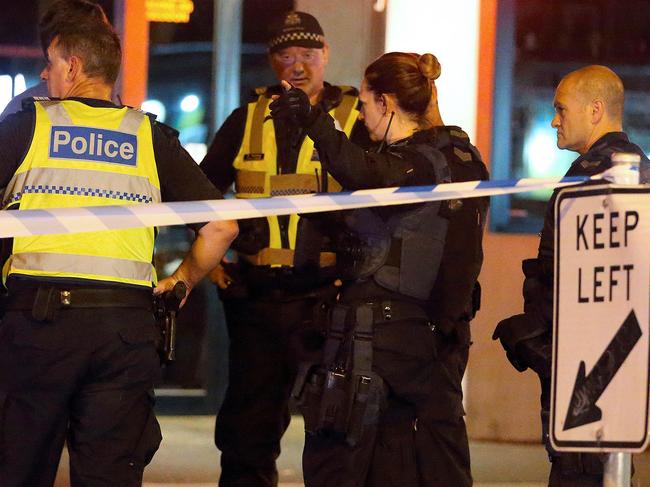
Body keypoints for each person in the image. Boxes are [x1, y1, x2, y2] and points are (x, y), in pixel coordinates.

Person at [0, 2, 238, 485]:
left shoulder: (29, 126)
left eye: (50, 63)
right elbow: (222, 227)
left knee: (19, 469)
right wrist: (183, 280)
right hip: (125, 329)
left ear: (73, 66)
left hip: (40, 328)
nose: (44, 76)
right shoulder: (149, 137)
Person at [270, 51, 477, 486]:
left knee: (343, 464)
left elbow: (364, 171)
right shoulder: (460, 156)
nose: (361, 117)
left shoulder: (421, 162)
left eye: (364, 105)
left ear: (386, 102)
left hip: (383, 341)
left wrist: (314, 121)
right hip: (434, 343)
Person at [200, 11, 369, 487]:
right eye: (286, 55)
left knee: (337, 427)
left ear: (326, 56)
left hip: (328, 298)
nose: (297, 66)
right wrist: (211, 261)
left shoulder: (356, 119)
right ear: (274, 61)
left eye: (307, 55)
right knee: (246, 433)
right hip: (256, 299)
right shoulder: (246, 118)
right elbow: (199, 192)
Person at [493, 65, 650, 487]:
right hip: (596, 371)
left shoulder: (600, 177)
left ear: (595, 110)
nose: (554, 120)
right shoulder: (628, 169)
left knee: (584, 476)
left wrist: (542, 342)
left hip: (590, 377)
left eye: (561, 108)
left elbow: (598, 290)